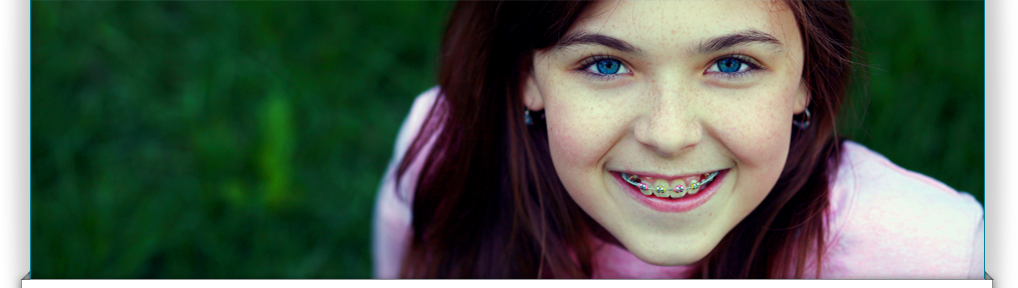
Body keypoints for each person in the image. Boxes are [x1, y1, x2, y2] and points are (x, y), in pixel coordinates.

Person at [372, 0, 984, 279]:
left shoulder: (926, 254)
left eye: (732, 64)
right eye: (606, 65)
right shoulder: (452, 152)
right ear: (527, 77)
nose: (668, 135)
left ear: (806, 81)